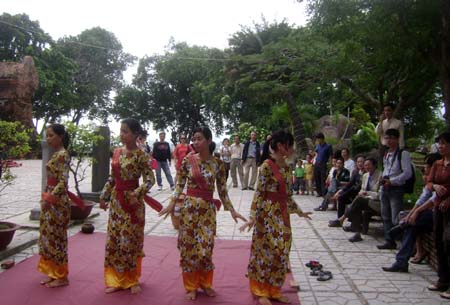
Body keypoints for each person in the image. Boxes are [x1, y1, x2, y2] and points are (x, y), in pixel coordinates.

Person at [159, 126, 246, 301]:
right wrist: (171, 203)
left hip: (207, 211)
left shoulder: (218, 164)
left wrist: (232, 210)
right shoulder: (187, 161)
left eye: (199, 138)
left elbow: (222, 191)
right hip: (189, 210)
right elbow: (179, 185)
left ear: (209, 140)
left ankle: (205, 283)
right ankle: (191, 286)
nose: (195, 142)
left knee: (206, 248)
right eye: (194, 138)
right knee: (189, 248)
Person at [239, 130, 312, 305]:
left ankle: (274, 289)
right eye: (290, 145)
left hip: (282, 215)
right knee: (265, 252)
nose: (292, 149)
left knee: (282, 251)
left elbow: (286, 196)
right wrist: (252, 217)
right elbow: (259, 194)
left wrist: (300, 211)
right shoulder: (266, 166)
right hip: (266, 216)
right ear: (281, 146)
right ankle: (261, 290)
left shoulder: (287, 168)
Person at [99, 118, 159, 294]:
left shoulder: (142, 155)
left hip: (132, 204)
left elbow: (150, 180)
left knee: (130, 241)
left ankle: (132, 279)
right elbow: (112, 178)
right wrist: (104, 196)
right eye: (121, 131)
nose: (122, 134)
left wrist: (137, 193)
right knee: (115, 240)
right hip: (117, 203)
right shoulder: (117, 153)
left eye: (125, 131)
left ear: (135, 135)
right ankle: (117, 280)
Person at [381, 153, 441, 273]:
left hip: (437, 213)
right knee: (410, 222)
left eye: (427, 166)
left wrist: (415, 213)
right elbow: (421, 200)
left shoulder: (440, 181)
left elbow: (433, 201)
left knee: (412, 221)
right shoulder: (430, 181)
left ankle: (400, 233)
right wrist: (411, 214)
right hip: (426, 213)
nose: (425, 169)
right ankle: (402, 261)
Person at [408, 132, 450, 299]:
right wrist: (435, 187)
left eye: (444, 143)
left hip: (448, 207)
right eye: (439, 143)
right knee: (439, 241)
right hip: (438, 207)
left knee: (448, 241)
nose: (441, 146)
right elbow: (430, 182)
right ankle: (443, 279)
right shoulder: (438, 163)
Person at [38, 123, 77, 288]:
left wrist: (49, 198)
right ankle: (52, 272)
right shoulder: (56, 154)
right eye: (47, 135)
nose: (48, 138)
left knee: (57, 238)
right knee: (48, 237)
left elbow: (63, 181)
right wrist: (46, 197)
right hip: (50, 197)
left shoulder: (63, 154)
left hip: (57, 202)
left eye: (51, 135)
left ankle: (61, 276)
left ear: (61, 136)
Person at [377, 128, 413, 250]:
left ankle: (404, 244)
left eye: (392, 138)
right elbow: (386, 169)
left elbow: (407, 173)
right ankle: (389, 240)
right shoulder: (386, 153)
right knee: (385, 216)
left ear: (397, 139)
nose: (389, 141)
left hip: (396, 188)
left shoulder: (403, 154)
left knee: (396, 217)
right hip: (385, 187)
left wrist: (392, 181)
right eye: (387, 138)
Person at [342, 158, 382, 242]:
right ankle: (357, 233)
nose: (367, 167)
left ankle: (344, 217)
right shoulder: (365, 176)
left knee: (358, 201)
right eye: (365, 165)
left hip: (376, 203)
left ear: (374, 165)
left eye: (369, 165)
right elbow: (362, 190)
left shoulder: (380, 176)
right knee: (357, 204)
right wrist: (362, 193)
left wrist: (367, 194)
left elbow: (379, 195)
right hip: (365, 200)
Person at [328, 155, 365, 226]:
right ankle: (339, 220)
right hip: (354, 192)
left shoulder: (366, 173)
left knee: (350, 194)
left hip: (360, 193)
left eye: (361, 162)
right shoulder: (355, 171)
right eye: (358, 162)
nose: (360, 163)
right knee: (341, 197)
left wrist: (343, 191)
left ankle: (347, 221)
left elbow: (359, 186)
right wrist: (341, 191)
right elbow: (350, 183)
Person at [314, 132, 333, 197]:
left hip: (324, 164)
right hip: (317, 164)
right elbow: (316, 154)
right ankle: (319, 192)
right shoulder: (318, 146)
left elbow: (331, 156)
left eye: (318, 139)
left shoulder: (328, 146)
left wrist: (330, 164)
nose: (317, 141)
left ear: (322, 139)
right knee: (317, 178)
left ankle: (324, 192)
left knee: (323, 179)